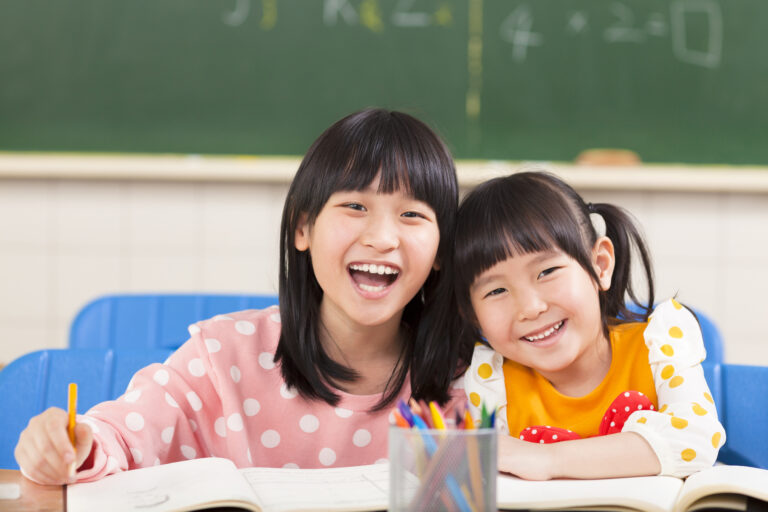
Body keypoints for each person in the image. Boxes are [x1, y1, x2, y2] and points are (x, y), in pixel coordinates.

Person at [15, 108, 468, 484]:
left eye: (411, 214)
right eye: (355, 206)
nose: (382, 237)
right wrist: (73, 445)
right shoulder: (221, 357)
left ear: (441, 252)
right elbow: (123, 434)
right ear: (302, 227)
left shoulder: (466, 380)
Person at [456, 171, 725, 480]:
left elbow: (696, 441)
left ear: (600, 266)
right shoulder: (491, 380)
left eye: (547, 271)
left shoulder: (659, 343)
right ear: (472, 313)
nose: (530, 308)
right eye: (496, 291)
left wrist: (546, 460)